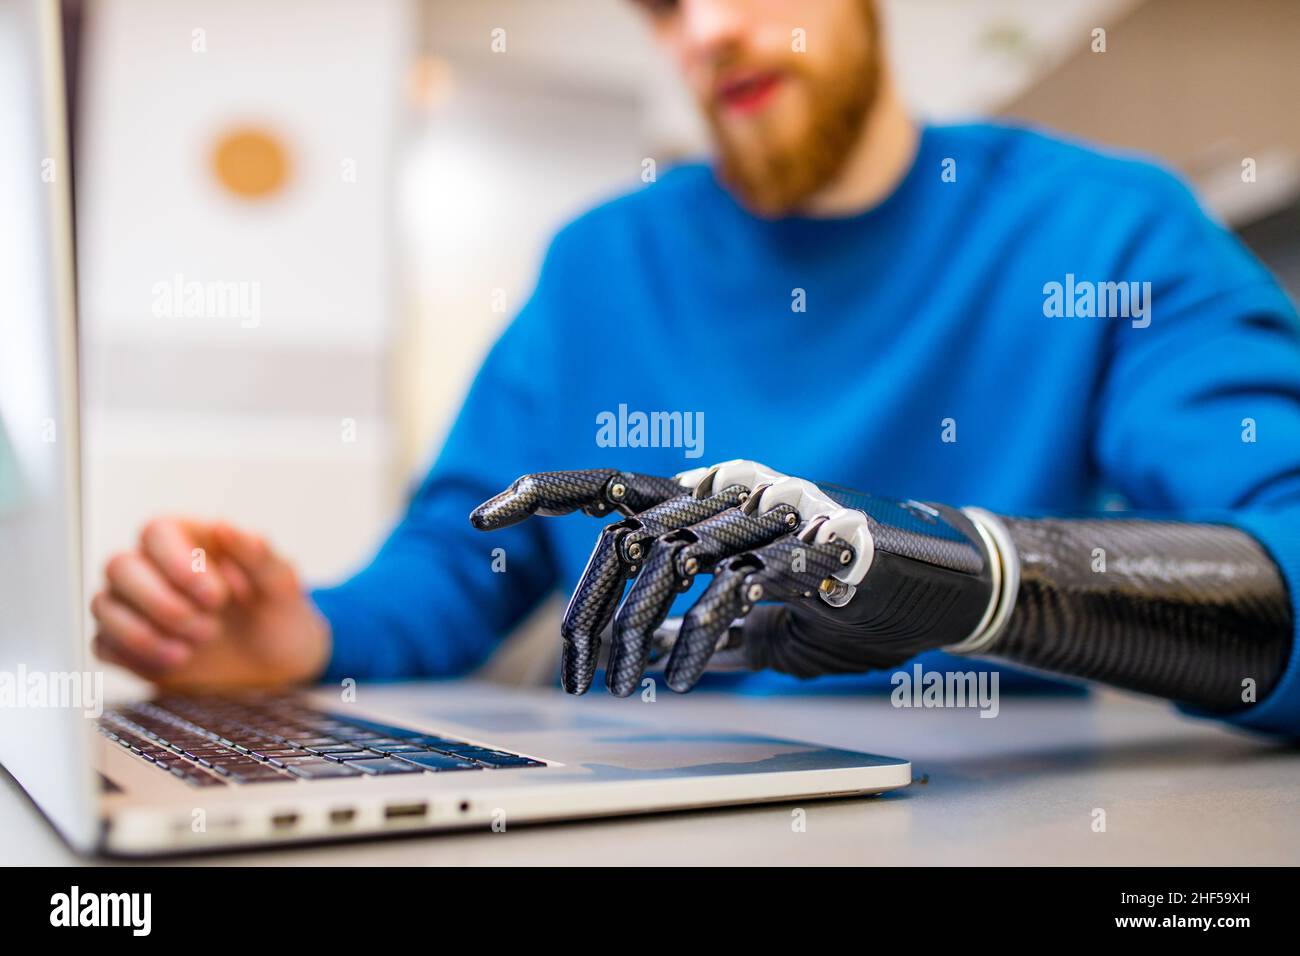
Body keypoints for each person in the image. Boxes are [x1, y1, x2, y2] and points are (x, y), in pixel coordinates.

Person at [91, 0, 1300, 735]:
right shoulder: (596, 263)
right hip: (626, 812)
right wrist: (304, 636)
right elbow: (464, 559)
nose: (707, 31)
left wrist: (962, 573)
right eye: (665, 5)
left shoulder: (1105, 231)